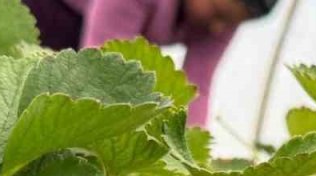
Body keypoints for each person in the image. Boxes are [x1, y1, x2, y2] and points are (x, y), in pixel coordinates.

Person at [23, 0, 278, 126]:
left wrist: (188, 164)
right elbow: (100, 68)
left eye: (231, 23)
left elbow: (197, 88)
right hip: (51, 11)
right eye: (217, 13)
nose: (218, 27)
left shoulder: (220, 23)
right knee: (34, 95)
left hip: (96, 36)